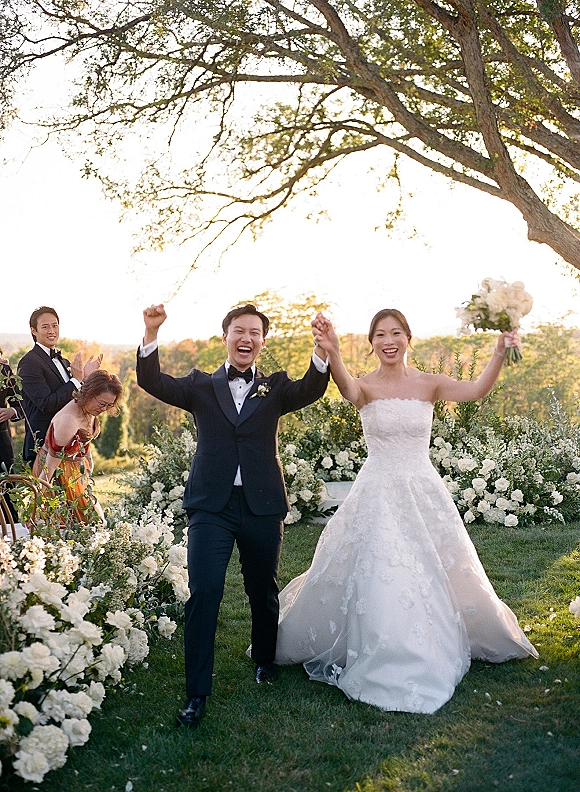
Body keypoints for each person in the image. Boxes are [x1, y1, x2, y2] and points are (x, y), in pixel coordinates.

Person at [274, 309, 538, 714]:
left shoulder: (429, 384)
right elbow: (346, 389)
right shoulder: (365, 386)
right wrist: (333, 352)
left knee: (433, 563)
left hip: (422, 488)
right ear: (373, 343)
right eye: (380, 334)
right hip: (377, 491)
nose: (388, 340)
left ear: (408, 338)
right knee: (381, 565)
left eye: (395, 333)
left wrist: (500, 351)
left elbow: (476, 391)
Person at [136, 302, 330, 726]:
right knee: (204, 591)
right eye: (238, 330)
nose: (246, 338)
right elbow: (151, 380)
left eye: (255, 332)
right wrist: (151, 332)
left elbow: (312, 388)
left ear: (262, 340)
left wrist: (322, 349)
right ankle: (195, 694)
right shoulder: (200, 386)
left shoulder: (275, 387)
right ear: (225, 337)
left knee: (262, 589)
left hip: (262, 504)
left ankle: (264, 658)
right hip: (211, 506)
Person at [32, 370, 122, 524]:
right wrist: (37, 503)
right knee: (73, 527)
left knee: (93, 525)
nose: (103, 409)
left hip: (75, 472)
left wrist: (88, 463)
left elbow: (83, 441)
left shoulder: (90, 409)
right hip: (56, 475)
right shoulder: (68, 421)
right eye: (102, 403)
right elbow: (49, 468)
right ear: (88, 393)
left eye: (109, 405)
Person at [18, 306, 102, 463]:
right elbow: (47, 403)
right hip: (42, 447)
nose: (52, 330)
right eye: (45, 326)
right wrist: (76, 381)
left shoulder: (63, 361)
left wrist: (84, 379)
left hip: (70, 445)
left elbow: (73, 400)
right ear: (33, 331)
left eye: (55, 325)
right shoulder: (29, 362)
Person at [0, 349, 25, 529]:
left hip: (0, 443)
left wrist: (12, 411)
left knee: (6, 492)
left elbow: (24, 404)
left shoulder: (4, 371)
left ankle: (12, 537)